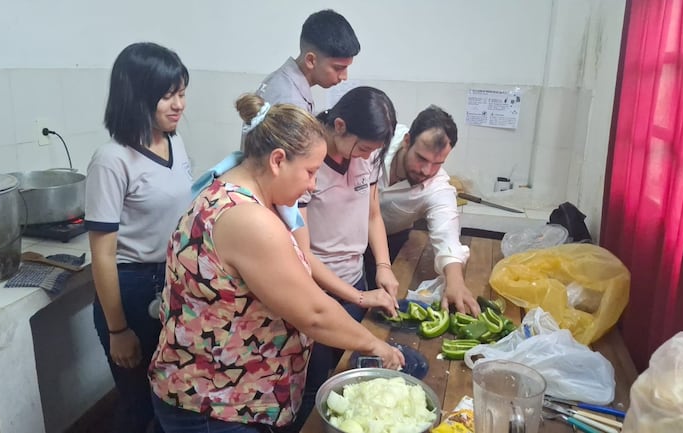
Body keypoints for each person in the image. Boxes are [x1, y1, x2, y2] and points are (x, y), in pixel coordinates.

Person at [148, 94, 404, 433]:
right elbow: (313, 313)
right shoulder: (248, 219)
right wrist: (374, 344)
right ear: (277, 160)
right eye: (311, 172)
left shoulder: (233, 192)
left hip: (227, 395)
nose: (313, 184)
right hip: (216, 405)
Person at [84, 42, 192, 433]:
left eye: (181, 93)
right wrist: (118, 329)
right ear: (137, 96)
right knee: (137, 405)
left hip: (170, 281)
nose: (178, 104)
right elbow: (102, 254)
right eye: (167, 95)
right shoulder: (111, 160)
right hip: (130, 289)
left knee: (169, 395)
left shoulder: (173, 142)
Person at [288, 86, 400, 430]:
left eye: (374, 151)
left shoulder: (366, 159)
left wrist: (383, 266)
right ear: (339, 125)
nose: (367, 156)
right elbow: (302, 254)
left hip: (357, 283)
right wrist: (361, 297)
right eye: (363, 147)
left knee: (350, 379)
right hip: (320, 294)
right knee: (315, 389)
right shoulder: (308, 166)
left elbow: (372, 215)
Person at [365, 105, 481, 316]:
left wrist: (455, 282)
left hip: (391, 241)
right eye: (421, 158)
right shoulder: (376, 143)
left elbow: (447, 235)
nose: (427, 171)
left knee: (382, 307)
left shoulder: (437, 186)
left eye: (437, 163)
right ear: (406, 140)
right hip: (343, 238)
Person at [256, 9, 360, 113]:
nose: (344, 77)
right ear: (311, 60)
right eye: (338, 68)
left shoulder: (279, 80)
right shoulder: (291, 102)